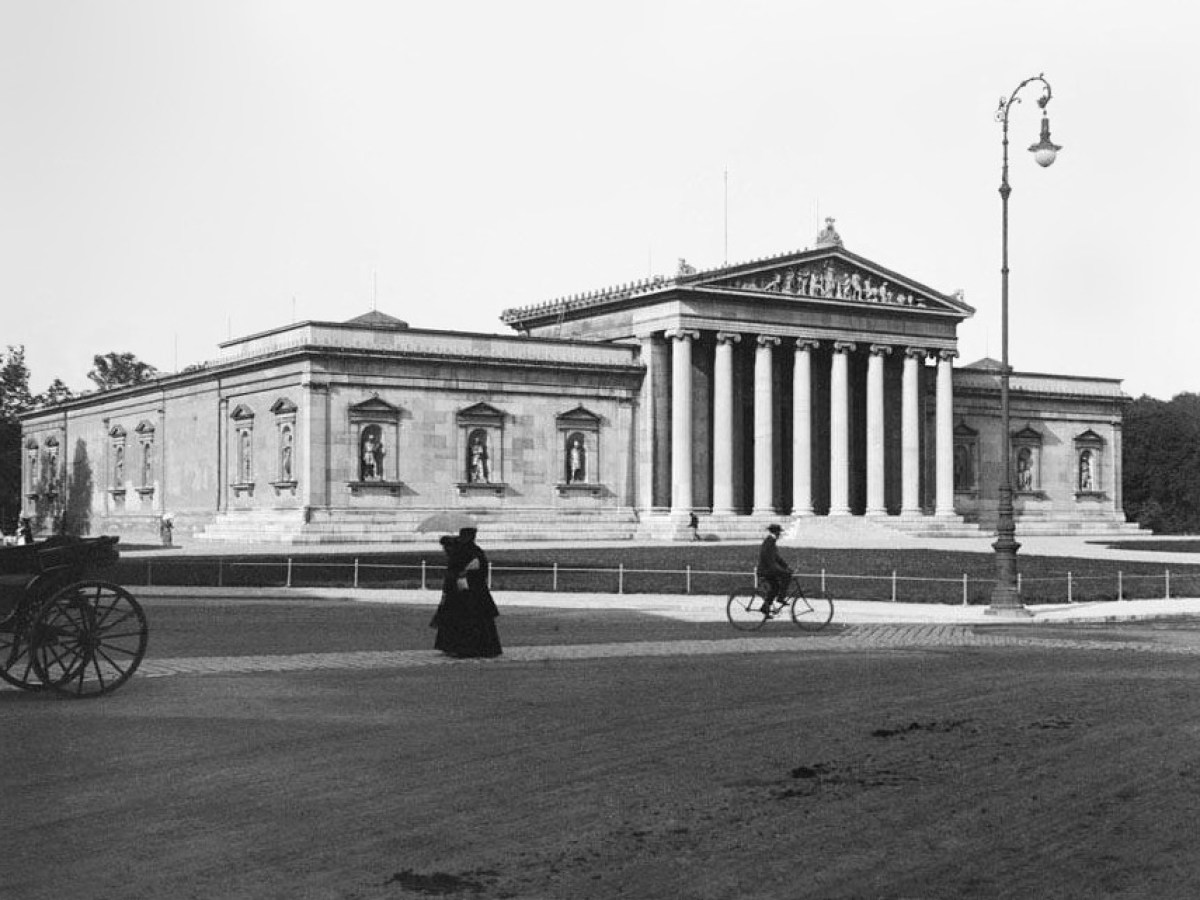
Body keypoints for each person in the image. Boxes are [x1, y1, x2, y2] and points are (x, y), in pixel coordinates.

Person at [430, 528, 502, 658]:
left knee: (463, 619)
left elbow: (454, 570)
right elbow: (481, 570)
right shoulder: (474, 551)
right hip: (474, 590)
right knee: (474, 620)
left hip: (465, 590)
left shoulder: (464, 551)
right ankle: (478, 647)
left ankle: (461, 647)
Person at [757, 523, 792, 619]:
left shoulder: (771, 541)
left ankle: (765, 607)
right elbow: (768, 559)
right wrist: (780, 569)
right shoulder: (770, 542)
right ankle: (781, 597)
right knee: (787, 576)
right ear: (776, 532)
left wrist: (786, 566)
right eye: (779, 532)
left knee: (775, 587)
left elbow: (776, 557)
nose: (780, 534)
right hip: (766, 570)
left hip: (768, 569)